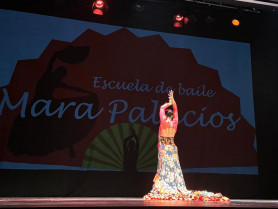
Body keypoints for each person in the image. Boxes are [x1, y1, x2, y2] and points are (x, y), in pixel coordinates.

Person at [143, 90, 230, 202]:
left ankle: (164, 186)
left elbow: (161, 108)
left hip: (164, 147)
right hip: (172, 147)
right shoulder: (174, 123)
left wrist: (168, 103)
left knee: (164, 168)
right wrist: (173, 100)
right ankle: (174, 186)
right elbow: (176, 110)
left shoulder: (164, 122)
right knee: (174, 169)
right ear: (171, 115)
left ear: (165, 115)